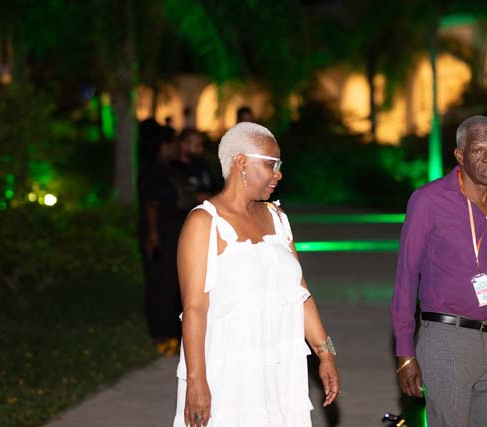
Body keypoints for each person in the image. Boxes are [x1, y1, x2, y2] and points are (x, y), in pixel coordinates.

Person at [173, 122, 340, 427]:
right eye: (271, 165)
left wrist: (325, 353)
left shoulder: (278, 219)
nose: (279, 174)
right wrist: (196, 380)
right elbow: (194, 308)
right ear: (241, 162)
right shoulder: (204, 223)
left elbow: (300, 294)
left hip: (278, 372)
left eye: (280, 166)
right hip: (230, 374)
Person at [391, 115, 487, 427]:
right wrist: (405, 352)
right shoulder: (428, 201)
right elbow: (406, 277)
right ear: (460, 155)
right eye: (478, 150)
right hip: (447, 338)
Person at [137, 131, 184, 356]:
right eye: (174, 143)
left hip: (175, 235)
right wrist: (153, 235)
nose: (178, 147)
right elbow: (151, 204)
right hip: (160, 237)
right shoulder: (151, 171)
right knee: (159, 285)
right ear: (164, 145)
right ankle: (160, 334)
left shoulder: (171, 169)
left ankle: (174, 333)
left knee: (174, 285)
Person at [170, 128, 217, 212]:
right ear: (184, 145)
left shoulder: (202, 165)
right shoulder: (173, 169)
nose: (201, 149)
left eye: (202, 145)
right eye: (197, 146)